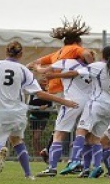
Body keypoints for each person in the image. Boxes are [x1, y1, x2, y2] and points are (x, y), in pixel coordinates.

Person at [0, 41, 78, 179]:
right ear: (21, 54)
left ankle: (0, 150)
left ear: (6, 52)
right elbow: (39, 93)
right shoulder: (23, 70)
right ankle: (29, 175)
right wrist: (65, 101)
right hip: (17, 111)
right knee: (17, 141)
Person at [44, 46, 110, 179]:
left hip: (97, 103)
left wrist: (55, 75)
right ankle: (93, 167)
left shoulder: (97, 66)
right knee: (93, 138)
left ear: (103, 55)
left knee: (81, 131)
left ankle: (74, 161)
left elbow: (74, 73)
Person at [27, 17, 94, 161]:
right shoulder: (75, 49)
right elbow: (87, 55)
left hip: (55, 89)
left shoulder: (56, 53)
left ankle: (49, 149)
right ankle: (75, 159)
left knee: (62, 123)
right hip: (68, 90)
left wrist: (36, 69)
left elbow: (35, 62)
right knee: (80, 125)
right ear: (77, 42)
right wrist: (91, 67)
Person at [34, 56, 92, 177]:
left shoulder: (67, 61)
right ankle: (82, 165)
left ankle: (52, 167)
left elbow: (44, 71)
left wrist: (35, 66)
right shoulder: (91, 67)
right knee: (85, 135)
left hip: (71, 101)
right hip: (89, 103)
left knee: (58, 134)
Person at [28, 77, 53, 158]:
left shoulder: (48, 93)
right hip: (34, 116)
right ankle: (36, 156)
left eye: (46, 82)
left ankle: (41, 154)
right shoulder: (33, 93)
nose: (44, 83)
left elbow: (50, 105)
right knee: (34, 138)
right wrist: (38, 108)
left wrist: (45, 107)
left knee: (37, 136)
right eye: (43, 82)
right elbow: (29, 105)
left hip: (43, 117)